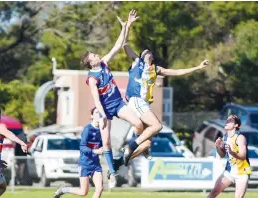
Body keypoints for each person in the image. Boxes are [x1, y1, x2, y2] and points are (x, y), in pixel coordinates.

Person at [81, 9, 143, 188]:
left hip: (117, 104)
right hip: (104, 110)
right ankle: (113, 173)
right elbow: (97, 100)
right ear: (90, 62)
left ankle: (129, 150)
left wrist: (127, 26)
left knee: (138, 124)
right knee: (106, 141)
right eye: (93, 55)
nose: (96, 55)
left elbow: (118, 45)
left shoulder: (105, 63)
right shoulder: (92, 78)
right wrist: (101, 117)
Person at [122, 44, 210, 164]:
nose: (147, 51)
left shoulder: (156, 69)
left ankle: (119, 162)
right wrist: (126, 28)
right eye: (145, 51)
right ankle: (130, 146)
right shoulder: (137, 62)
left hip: (145, 104)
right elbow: (125, 46)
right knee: (157, 126)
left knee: (147, 144)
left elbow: (177, 72)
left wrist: (198, 67)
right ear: (141, 55)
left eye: (149, 52)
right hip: (137, 100)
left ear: (152, 58)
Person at [54, 108, 104, 198]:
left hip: (96, 164)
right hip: (85, 164)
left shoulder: (102, 130)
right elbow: (82, 147)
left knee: (99, 189)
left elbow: (103, 146)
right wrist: (95, 151)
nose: (99, 114)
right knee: (83, 192)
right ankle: (63, 190)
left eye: (100, 112)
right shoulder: (87, 129)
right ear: (92, 116)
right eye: (96, 112)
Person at [207, 115, 251, 198]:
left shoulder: (240, 137)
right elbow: (222, 155)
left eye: (230, 120)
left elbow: (243, 156)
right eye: (227, 120)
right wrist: (217, 146)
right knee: (214, 192)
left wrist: (231, 152)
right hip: (229, 170)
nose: (227, 121)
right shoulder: (225, 137)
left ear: (236, 125)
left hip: (242, 171)